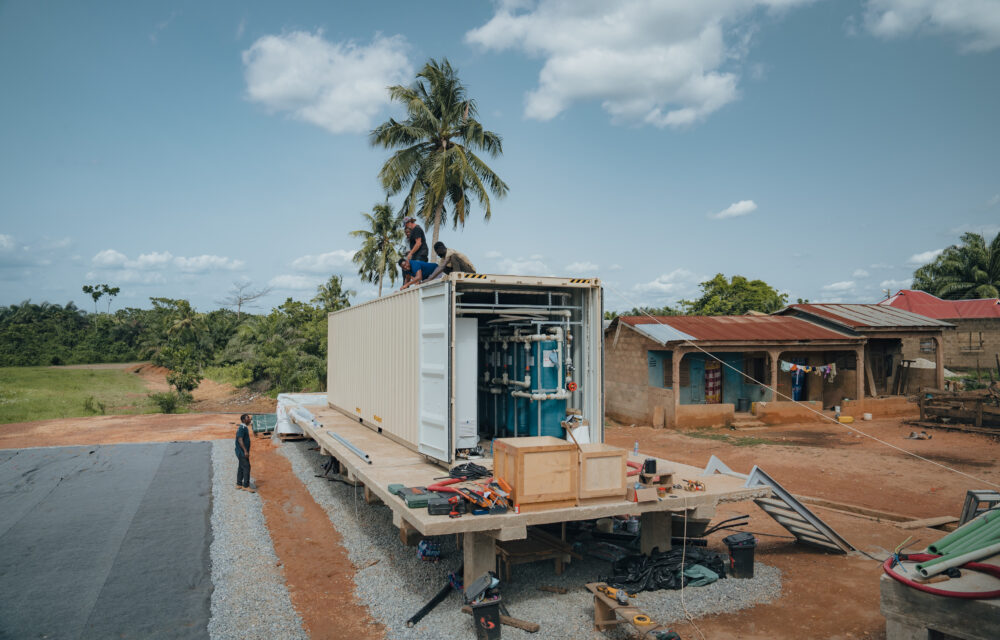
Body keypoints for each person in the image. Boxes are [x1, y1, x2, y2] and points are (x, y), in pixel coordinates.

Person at [235, 414, 255, 492]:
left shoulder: (244, 427)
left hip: (240, 451)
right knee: (247, 467)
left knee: (241, 467)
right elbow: (240, 439)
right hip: (242, 452)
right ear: (243, 420)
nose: (249, 419)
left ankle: (239, 484)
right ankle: (246, 486)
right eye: (248, 418)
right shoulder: (242, 428)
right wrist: (245, 451)